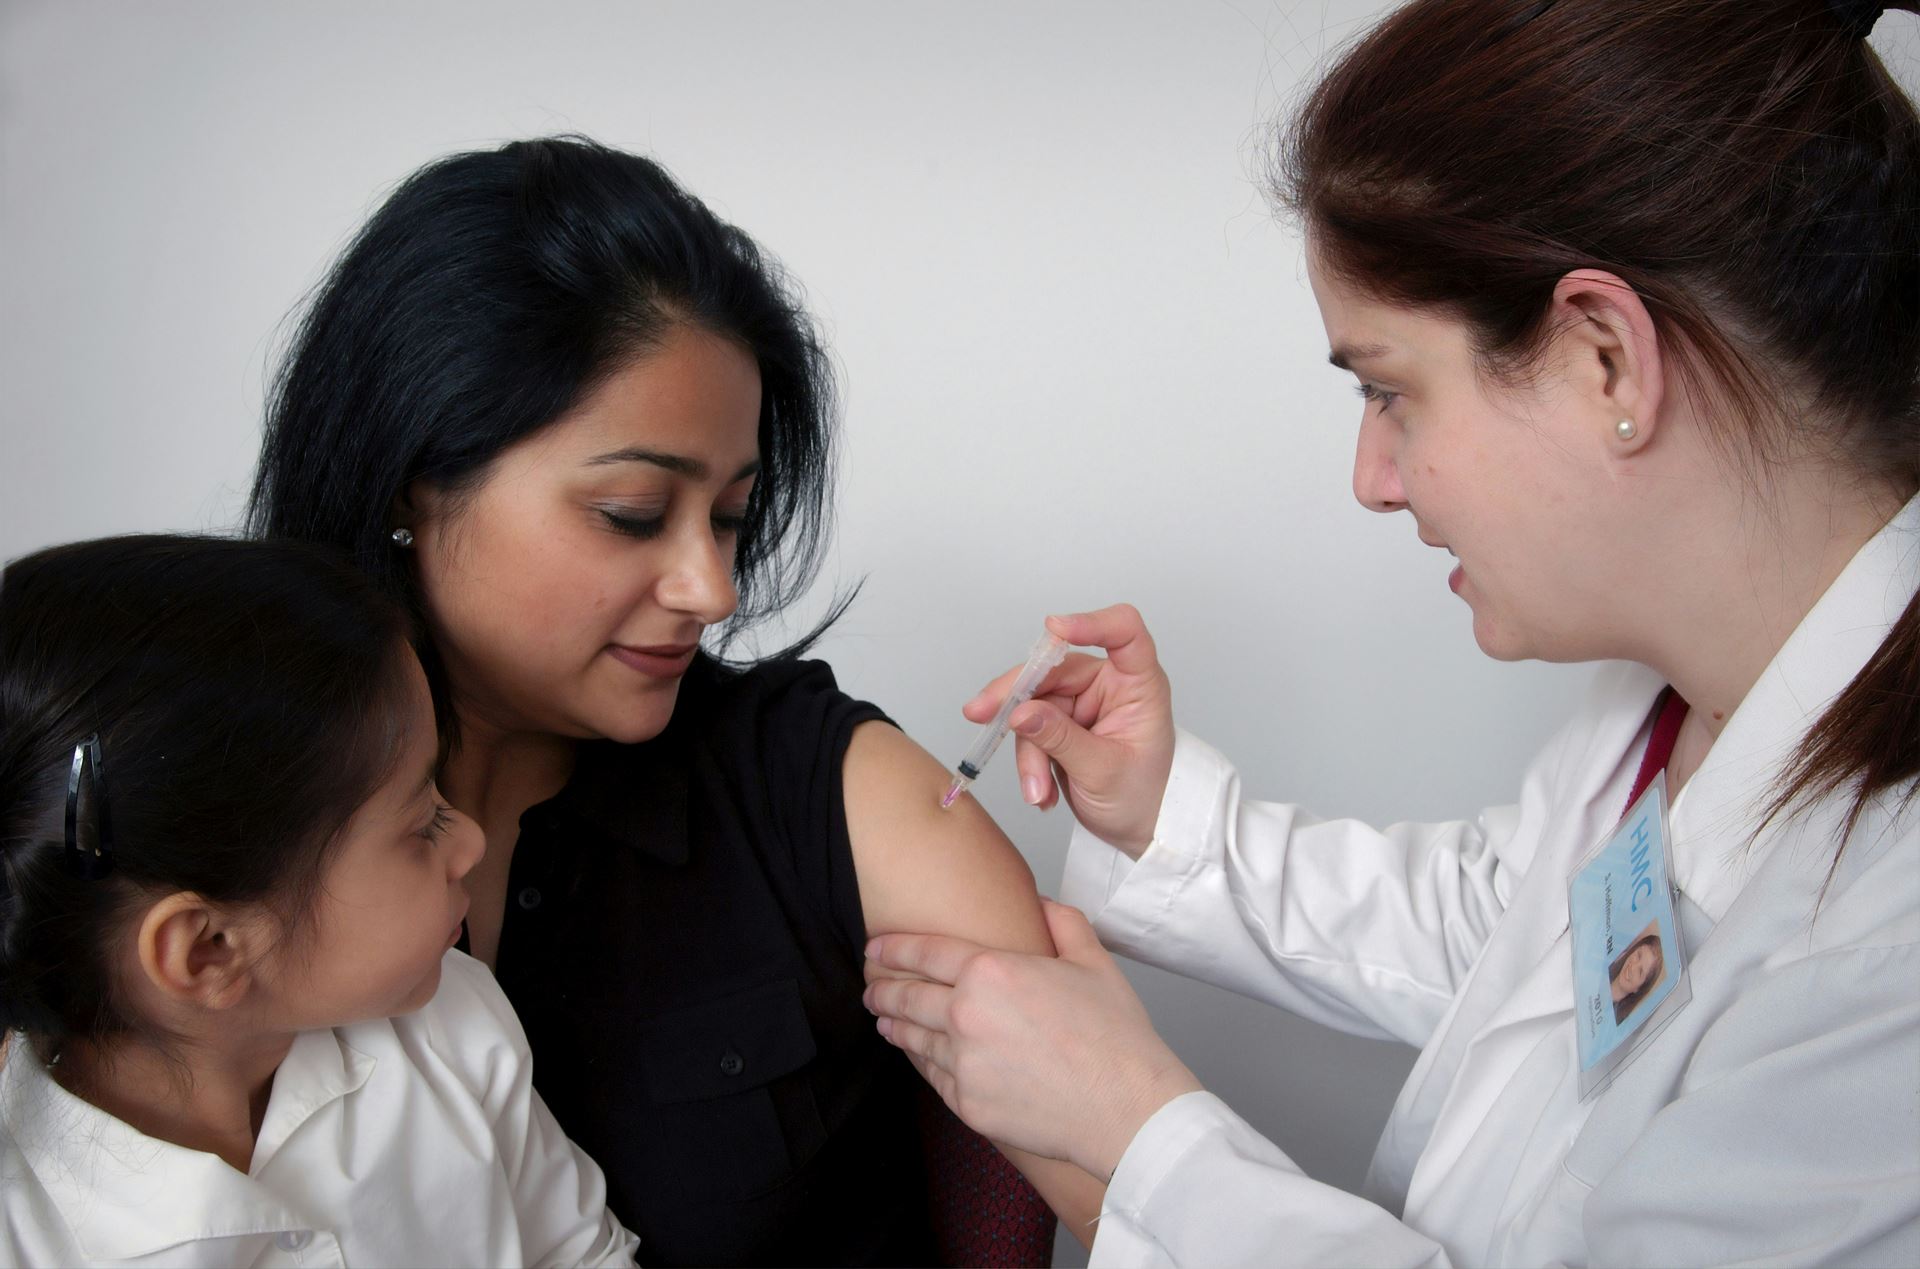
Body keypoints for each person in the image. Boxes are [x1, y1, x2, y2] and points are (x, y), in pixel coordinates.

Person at [863, 0, 1920, 1264]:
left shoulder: (1887, 955)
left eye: (1389, 390)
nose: (1373, 477)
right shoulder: (1681, 707)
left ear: (1605, 362)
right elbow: (1518, 944)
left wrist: (1141, 1132)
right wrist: (1167, 826)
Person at [247, 135, 1099, 1264]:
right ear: (415, 476)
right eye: (634, 512)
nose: (715, 588)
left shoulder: (833, 795)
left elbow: (1152, 1193)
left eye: (733, 516)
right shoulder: (217, 814)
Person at [0, 535, 635, 1267]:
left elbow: (584, 1255)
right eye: (421, 823)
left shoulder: (448, 1028)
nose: (471, 841)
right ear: (208, 949)